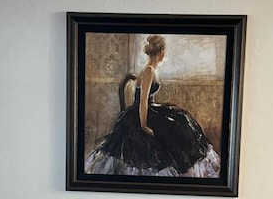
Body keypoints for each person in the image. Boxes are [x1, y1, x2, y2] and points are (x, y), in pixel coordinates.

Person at [85, 35, 220, 177]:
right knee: (173, 129)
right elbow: (143, 101)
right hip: (142, 113)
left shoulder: (151, 69)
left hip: (150, 109)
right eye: (164, 50)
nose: (164, 54)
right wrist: (144, 126)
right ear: (161, 51)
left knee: (181, 123)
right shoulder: (149, 70)